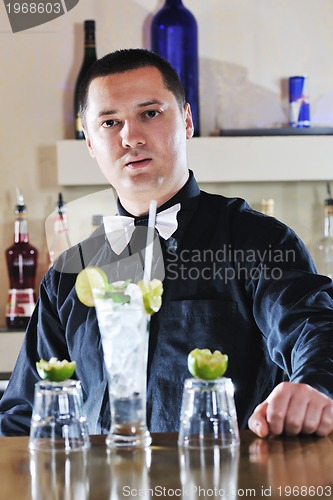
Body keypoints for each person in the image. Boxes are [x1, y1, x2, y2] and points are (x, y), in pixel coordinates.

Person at [0, 48, 332, 438]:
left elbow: (315, 328)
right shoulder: (68, 274)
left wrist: (315, 385)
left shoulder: (261, 242)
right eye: (109, 123)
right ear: (90, 143)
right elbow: (23, 414)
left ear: (187, 121)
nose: (130, 137)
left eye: (150, 114)